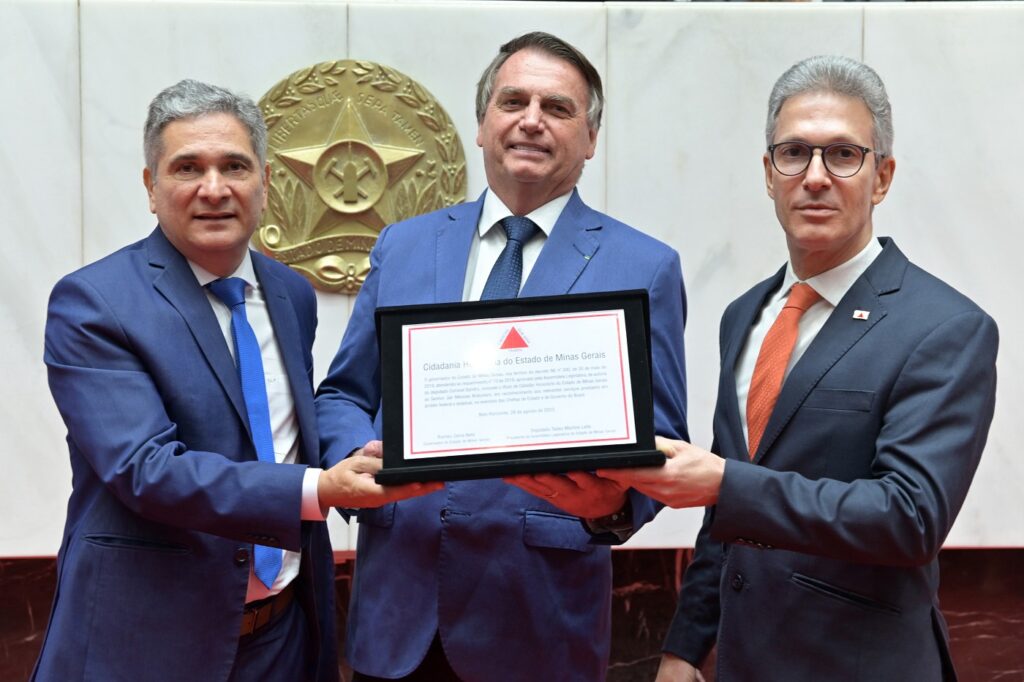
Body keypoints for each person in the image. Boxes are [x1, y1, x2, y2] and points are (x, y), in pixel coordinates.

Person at [600, 55, 999, 681]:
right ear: (769, 173)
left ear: (883, 176)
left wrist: (723, 484)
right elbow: (728, 508)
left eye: (843, 155)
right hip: (739, 660)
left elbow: (910, 517)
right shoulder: (745, 315)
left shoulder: (945, 327)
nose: (815, 177)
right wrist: (684, 646)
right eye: (795, 153)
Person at [32, 79, 436, 682]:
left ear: (266, 183)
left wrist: (376, 454)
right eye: (187, 167)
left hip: (283, 636)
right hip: (148, 639)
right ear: (151, 187)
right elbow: (146, 470)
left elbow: (283, 430)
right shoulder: (94, 304)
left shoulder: (291, 294)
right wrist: (321, 489)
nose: (213, 188)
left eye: (234, 166)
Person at [315, 32, 688, 681]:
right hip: (399, 609)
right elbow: (344, 394)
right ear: (484, 124)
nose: (531, 120)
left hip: (541, 624)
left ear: (591, 138)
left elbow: (664, 439)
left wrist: (614, 503)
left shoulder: (644, 267)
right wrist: (355, 462)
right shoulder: (403, 248)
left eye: (558, 107)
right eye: (513, 101)